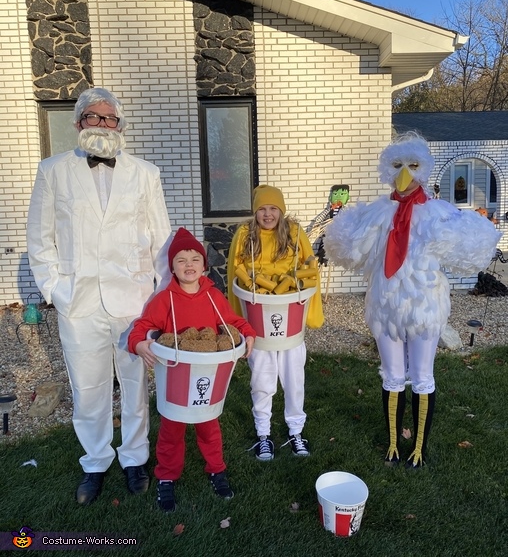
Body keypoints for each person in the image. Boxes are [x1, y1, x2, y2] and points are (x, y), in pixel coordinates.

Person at [27, 87, 172, 504]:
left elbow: (161, 238)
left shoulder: (145, 173)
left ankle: (134, 457)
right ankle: (94, 461)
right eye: (94, 116)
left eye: (110, 118)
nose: (103, 124)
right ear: (78, 123)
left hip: (135, 301)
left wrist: (160, 298)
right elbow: (40, 238)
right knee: (87, 387)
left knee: (134, 384)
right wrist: (55, 290)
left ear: (120, 126)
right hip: (79, 301)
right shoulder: (52, 171)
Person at [324, 132, 502, 468]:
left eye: (413, 165)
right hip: (386, 307)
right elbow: (346, 247)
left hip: (425, 307)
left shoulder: (438, 214)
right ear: (387, 169)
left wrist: (483, 231)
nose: (405, 173)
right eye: (397, 165)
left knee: (422, 376)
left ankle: (418, 449)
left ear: (424, 169)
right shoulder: (377, 214)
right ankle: (393, 445)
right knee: (392, 375)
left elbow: (469, 247)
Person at [128, 227, 255, 513]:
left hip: (207, 375)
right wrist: (138, 344)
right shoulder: (165, 300)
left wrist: (248, 333)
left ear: (204, 265)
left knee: (209, 425)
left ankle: (216, 470)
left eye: (194, 259)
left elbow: (232, 321)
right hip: (175, 375)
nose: (189, 265)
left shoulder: (213, 297)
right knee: (172, 429)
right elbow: (142, 327)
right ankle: (166, 477)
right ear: (172, 266)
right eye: (181, 260)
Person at [227, 185, 324, 461]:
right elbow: (235, 273)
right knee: (262, 379)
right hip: (259, 319)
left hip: (291, 312)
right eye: (262, 209)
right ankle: (263, 435)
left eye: (273, 209)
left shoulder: (294, 232)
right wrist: (238, 322)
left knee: (294, 378)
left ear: (281, 211)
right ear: (254, 211)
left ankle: (296, 432)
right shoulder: (245, 234)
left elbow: (310, 270)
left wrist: (312, 313)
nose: (267, 214)